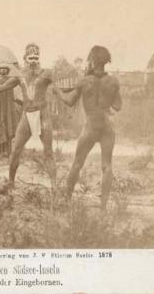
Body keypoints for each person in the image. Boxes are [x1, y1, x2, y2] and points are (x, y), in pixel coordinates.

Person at [0, 43, 57, 191]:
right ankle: (11, 182)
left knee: (48, 152)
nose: (33, 61)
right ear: (25, 59)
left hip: (43, 115)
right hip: (27, 115)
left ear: (39, 59)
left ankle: (55, 186)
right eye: (30, 58)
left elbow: (58, 86)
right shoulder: (20, 75)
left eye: (36, 58)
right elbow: (1, 88)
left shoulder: (46, 73)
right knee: (16, 150)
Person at [53, 45, 122, 210]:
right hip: (106, 125)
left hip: (91, 124)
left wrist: (58, 91)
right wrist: (105, 102)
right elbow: (118, 106)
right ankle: (103, 208)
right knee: (107, 166)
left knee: (77, 163)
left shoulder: (84, 81)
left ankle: (67, 201)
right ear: (106, 61)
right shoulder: (113, 81)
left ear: (92, 60)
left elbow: (69, 101)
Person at [0, 63, 20, 154]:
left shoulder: (11, 79)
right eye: (1, 69)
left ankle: (7, 149)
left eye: (5, 69)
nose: (3, 70)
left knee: (8, 122)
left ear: (8, 70)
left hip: (8, 104)